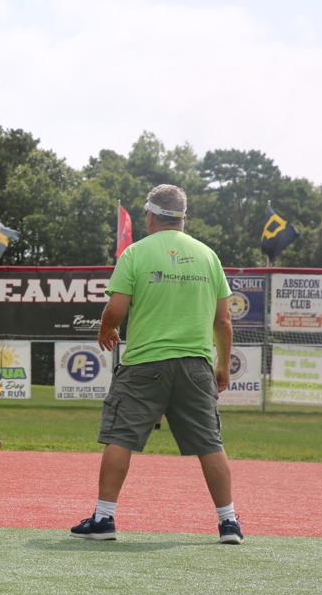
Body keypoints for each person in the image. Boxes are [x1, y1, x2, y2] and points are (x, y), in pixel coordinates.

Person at [70, 184, 243, 544]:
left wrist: (107, 329)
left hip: (144, 363)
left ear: (150, 215)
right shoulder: (208, 256)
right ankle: (229, 523)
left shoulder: (135, 253)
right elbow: (223, 320)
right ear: (182, 217)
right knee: (210, 443)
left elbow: (116, 309)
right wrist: (223, 366)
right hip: (196, 365)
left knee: (120, 437)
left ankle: (104, 518)